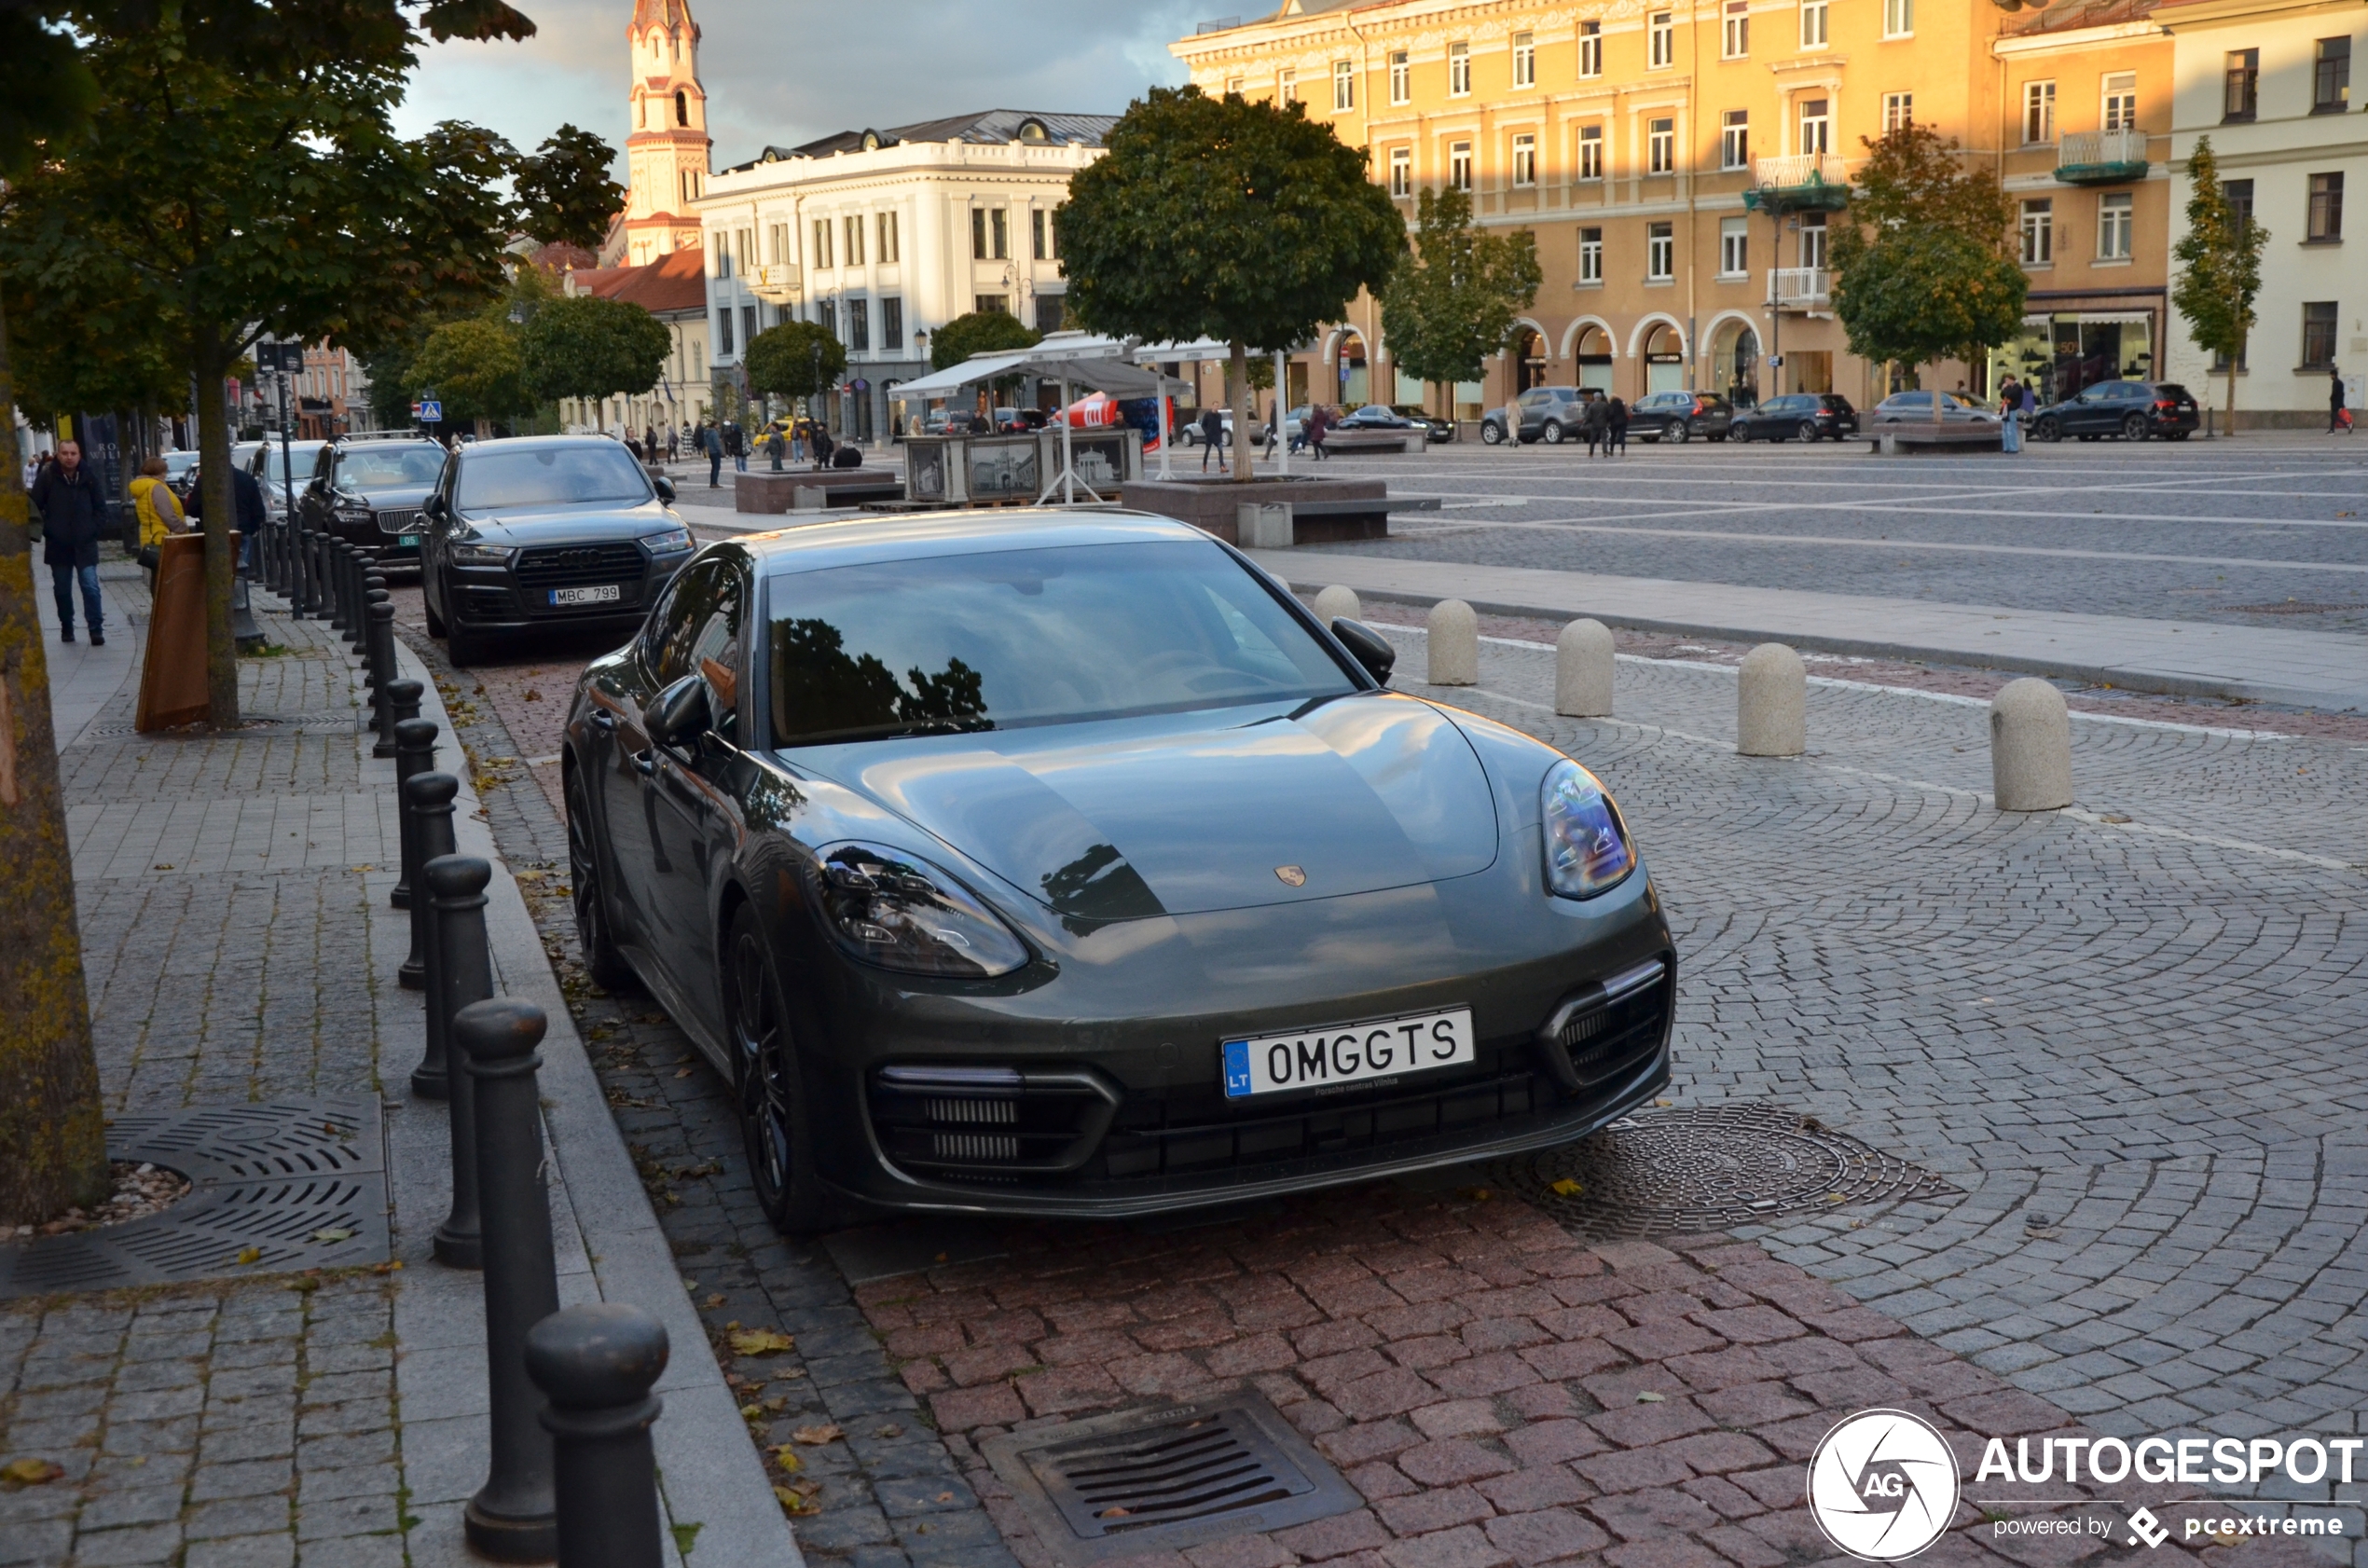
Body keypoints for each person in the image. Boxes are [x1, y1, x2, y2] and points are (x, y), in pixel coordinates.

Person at [32, 438, 107, 645]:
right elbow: (35, 506)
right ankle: (67, 626)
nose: (69, 457)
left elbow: (100, 506)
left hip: (85, 543)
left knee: (90, 586)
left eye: (73, 453)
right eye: (65, 453)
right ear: (58, 454)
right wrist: (49, 530)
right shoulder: (48, 476)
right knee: (62, 589)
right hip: (59, 544)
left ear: (79, 454)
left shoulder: (89, 476)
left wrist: (93, 530)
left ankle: (96, 627)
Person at [185, 448, 267, 574]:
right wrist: (251, 528)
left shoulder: (204, 480)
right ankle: (239, 592)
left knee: (219, 571)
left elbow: (193, 508)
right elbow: (258, 510)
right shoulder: (247, 479)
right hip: (242, 529)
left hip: (214, 531)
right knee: (240, 571)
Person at [128, 455, 186, 582]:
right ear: (159, 472)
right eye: (165, 471)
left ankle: (158, 601)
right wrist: (182, 528)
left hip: (150, 536)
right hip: (162, 537)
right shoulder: (157, 487)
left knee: (158, 576)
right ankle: (163, 602)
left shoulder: (143, 486)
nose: (166, 474)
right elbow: (167, 514)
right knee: (166, 578)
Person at [1198, 406, 1224, 473]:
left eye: (1217, 406)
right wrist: (1207, 432)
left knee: (1220, 451)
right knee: (1207, 452)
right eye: (1215, 406)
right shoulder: (1207, 415)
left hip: (1217, 436)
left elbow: (1220, 425)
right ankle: (1204, 465)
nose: (1216, 407)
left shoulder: (1219, 416)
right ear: (1212, 406)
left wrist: (1220, 433)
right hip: (1210, 436)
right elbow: (1203, 425)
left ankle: (1222, 466)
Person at [1585, 392, 1611, 458]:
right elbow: (1609, 414)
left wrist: (1586, 422)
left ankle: (1591, 453)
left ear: (1594, 398)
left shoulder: (1591, 405)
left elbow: (1588, 416)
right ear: (1601, 397)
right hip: (1603, 424)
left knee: (1592, 439)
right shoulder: (1605, 405)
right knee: (1604, 439)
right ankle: (1605, 452)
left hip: (1594, 425)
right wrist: (1607, 421)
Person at [700, 421, 723, 488]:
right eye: (718, 425)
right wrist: (720, 451)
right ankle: (714, 482)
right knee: (717, 467)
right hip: (715, 451)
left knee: (713, 468)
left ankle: (712, 482)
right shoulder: (714, 433)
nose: (719, 426)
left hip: (710, 451)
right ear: (715, 425)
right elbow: (716, 443)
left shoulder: (707, 432)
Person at [2334, 367, 2352, 434]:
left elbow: (2336, 394)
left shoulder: (2337, 383)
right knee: (2334, 416)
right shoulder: (2340, 383)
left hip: (2337, 404)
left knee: (2334, 416)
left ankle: (2347, 424)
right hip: (2339, 403)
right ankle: (2332, 429)